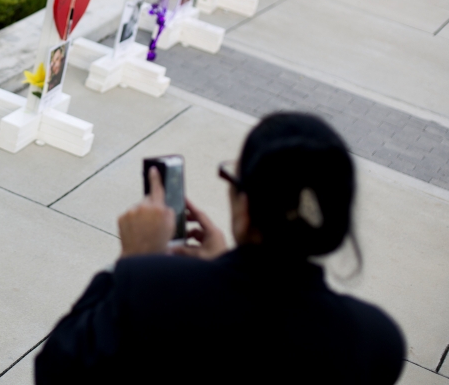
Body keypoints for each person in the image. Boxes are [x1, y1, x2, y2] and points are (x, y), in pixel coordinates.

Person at [35, 112, 405, 384]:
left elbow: (55, 370)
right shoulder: (377, 341)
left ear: (245, 208)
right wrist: (222, 266)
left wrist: (133, 260)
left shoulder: (151, 287)